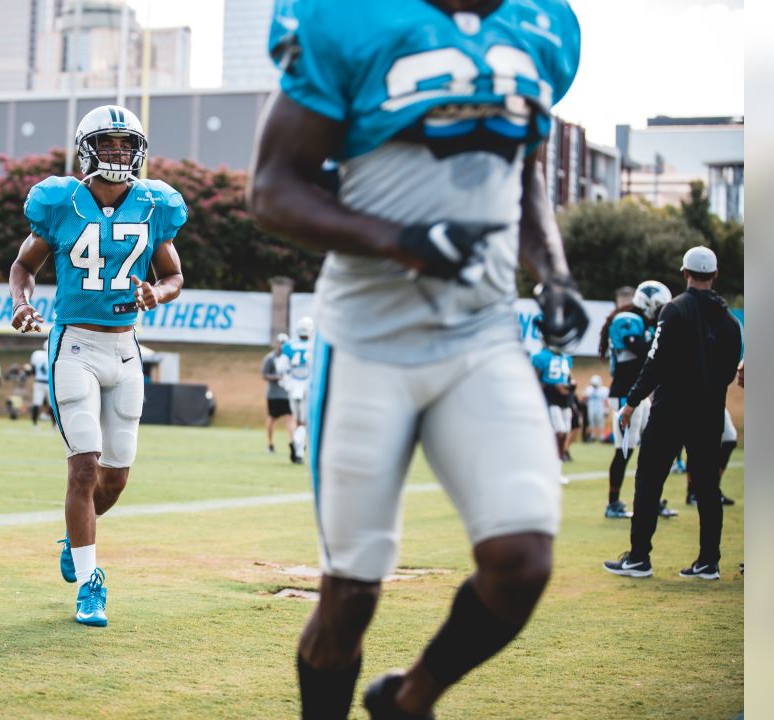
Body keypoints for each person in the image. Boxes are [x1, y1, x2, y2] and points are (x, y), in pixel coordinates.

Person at [249, 1, 585, 717]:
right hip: (370, 338)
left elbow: (523, 177)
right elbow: (273, 189)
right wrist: (401, 238)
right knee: (350, 598)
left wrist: (553, 274)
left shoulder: (542, 26)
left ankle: (409, 699)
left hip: (483, 333)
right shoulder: (350, 17)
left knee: (524, 561)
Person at [8, 103, 187, 627]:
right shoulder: (60, 202)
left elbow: (175, 274)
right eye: (108, 143)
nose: (118, 152)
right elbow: (24, 263)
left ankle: (74, 538)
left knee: (114, 480)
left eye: (126, 144)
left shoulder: (155, 205)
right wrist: (20, 302)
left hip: (127, 350)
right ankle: (90, 583)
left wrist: (160, 292)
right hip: (76, 346)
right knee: (84, 467)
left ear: (138, 152)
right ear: (87, 148)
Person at [604, 246, 744, 580]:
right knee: (707, 488)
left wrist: (632, 401)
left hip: (671, 410)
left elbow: (655, 362)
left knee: (649, 480)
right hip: (709, 412)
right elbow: (728, 373)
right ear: (715, 274)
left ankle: (639, 558)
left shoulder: (674, 310)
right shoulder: (730, 322)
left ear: (685, 273)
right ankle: (708, 561)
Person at [598, 280, 671, 519]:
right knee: (624, 450)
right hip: (623, 394)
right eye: (658, 305)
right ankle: (612, 502)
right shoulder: (627, 320)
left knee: (650, 448)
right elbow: (642, 350)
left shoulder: (647, 324)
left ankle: (651, 500)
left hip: (639, 394)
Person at [531, 340, 573, 480]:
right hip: (550, 400)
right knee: (558, 432)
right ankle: (549, 469)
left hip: (564, 401)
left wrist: (572, 385)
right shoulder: (541, 356)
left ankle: (557, 469)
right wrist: (553, 387)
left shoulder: (566, 357)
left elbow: (568, 378)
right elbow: (534, 381)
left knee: (565, 432)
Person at [277, 320, 314, 464]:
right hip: (307, 387)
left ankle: (298, 454)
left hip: (293, 387)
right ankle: (296, 442)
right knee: (304, 423)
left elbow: (280, 367)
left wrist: (288, 378)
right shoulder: (314, 346)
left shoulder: (289, 346)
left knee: (297, 421)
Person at [262, 332, 295, 454]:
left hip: (287, 393)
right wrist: (277, 377)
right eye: (281, 343)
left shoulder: (292, 358)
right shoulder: (270, 358)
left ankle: (294, 443)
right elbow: (264, 374)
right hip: (274, 394)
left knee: (290, 418)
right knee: (271, 418)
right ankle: (270, 444)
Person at [29, 340, 53, 429]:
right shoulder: (54, 355)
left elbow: (33, 370)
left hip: (38, 382)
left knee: (36, 403)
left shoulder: (37, 354)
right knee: (52, 405)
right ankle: (54, 425)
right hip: (49, 383)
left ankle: (34, 424)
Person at [585, 375, 609, 442]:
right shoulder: (589, 389)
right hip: (591, 409)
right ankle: (593, 436)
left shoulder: (603, 390)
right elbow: (585, 399)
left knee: (601, 423)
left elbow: (605, 401)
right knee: (592, 422)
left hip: (600, 409)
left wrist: (606, 410)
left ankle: (602, 437)